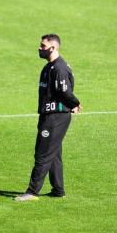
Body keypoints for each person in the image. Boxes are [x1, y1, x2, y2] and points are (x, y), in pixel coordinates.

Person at [15, 34, 82, 202]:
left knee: (43, 153)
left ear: (53, 48)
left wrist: (75, 103)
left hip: (55, 117)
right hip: (49, 115)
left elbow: (65, 91)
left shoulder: (59, 68)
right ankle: (58, 190)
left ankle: (32, 192)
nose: (39, 48)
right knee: (54, 153)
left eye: (43, 46)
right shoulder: (48, 67)